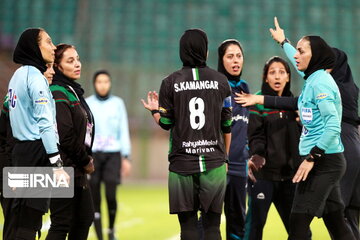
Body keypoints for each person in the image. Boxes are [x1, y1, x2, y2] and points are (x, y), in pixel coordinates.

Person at [237, 17, 360, 240]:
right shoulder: (314, 78)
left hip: (326, 156)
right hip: (329, 154)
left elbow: (332, 124)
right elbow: (299, 71)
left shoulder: (322, 82)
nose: (297, 56)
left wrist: (312, 156)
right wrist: (284, 42)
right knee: (337, 223)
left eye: (302, 51)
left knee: (299, 222)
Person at [141, 29, 232, 240]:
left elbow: (165, 123)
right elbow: (227, 124)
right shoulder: (221, 81)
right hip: (214, 163)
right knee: (212, 228)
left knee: (188, 228)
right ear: (205, 51)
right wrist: (224, 157)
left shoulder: (169, 82)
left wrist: (155, 111)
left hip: (182, 164)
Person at [6, 28, 69, 239]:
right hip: (36, 152)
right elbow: (45, 124)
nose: (53, 47)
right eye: (48, 42)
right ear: (35, 47)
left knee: (17, 215)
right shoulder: (36, 78)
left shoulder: (17, 76)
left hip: (20, 151)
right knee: (31, 217)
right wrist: (57, 163)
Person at [244, 56, 304, 240]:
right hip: (263, 177)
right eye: (272, 72)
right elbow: (255, 135)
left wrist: (301, 122)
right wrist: (258, 154)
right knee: (254, 227)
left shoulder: (296, 104)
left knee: (300, 231)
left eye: (282, 72)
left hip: (291, 178)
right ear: (265, 77)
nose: (277, 77)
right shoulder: (257, 103)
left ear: (288, 77)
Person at [46, 43, 95, 240]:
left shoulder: (72, 90)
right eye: (70, 60)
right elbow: (65, 135)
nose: (77, 64)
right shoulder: (58, 91)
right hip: (64, 167)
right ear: (58, 67)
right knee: (61, 224)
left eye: (77, 59)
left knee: (84, 217)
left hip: (76, 168)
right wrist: (85, 160)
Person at [86, 70, 132, 240]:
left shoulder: (118, 103)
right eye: (99, 82)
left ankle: (111, 229)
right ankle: (99, 236)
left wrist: (126, 157)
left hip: (113, 155)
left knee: (111, 196)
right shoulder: (88, 103)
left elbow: (123, 130)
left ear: (110, 83)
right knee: (94, 198)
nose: (103, 85)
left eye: (106, 81)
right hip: (93, 157)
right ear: (94, 84)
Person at [217, 39, 249, 240]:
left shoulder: (244, 88)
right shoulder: (216, 87)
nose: (235, 61)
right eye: (230, 56)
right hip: (217, 166)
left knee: (238, 224)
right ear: (221, 60)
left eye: (239, 56)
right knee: (209, 220)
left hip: (240, 167)